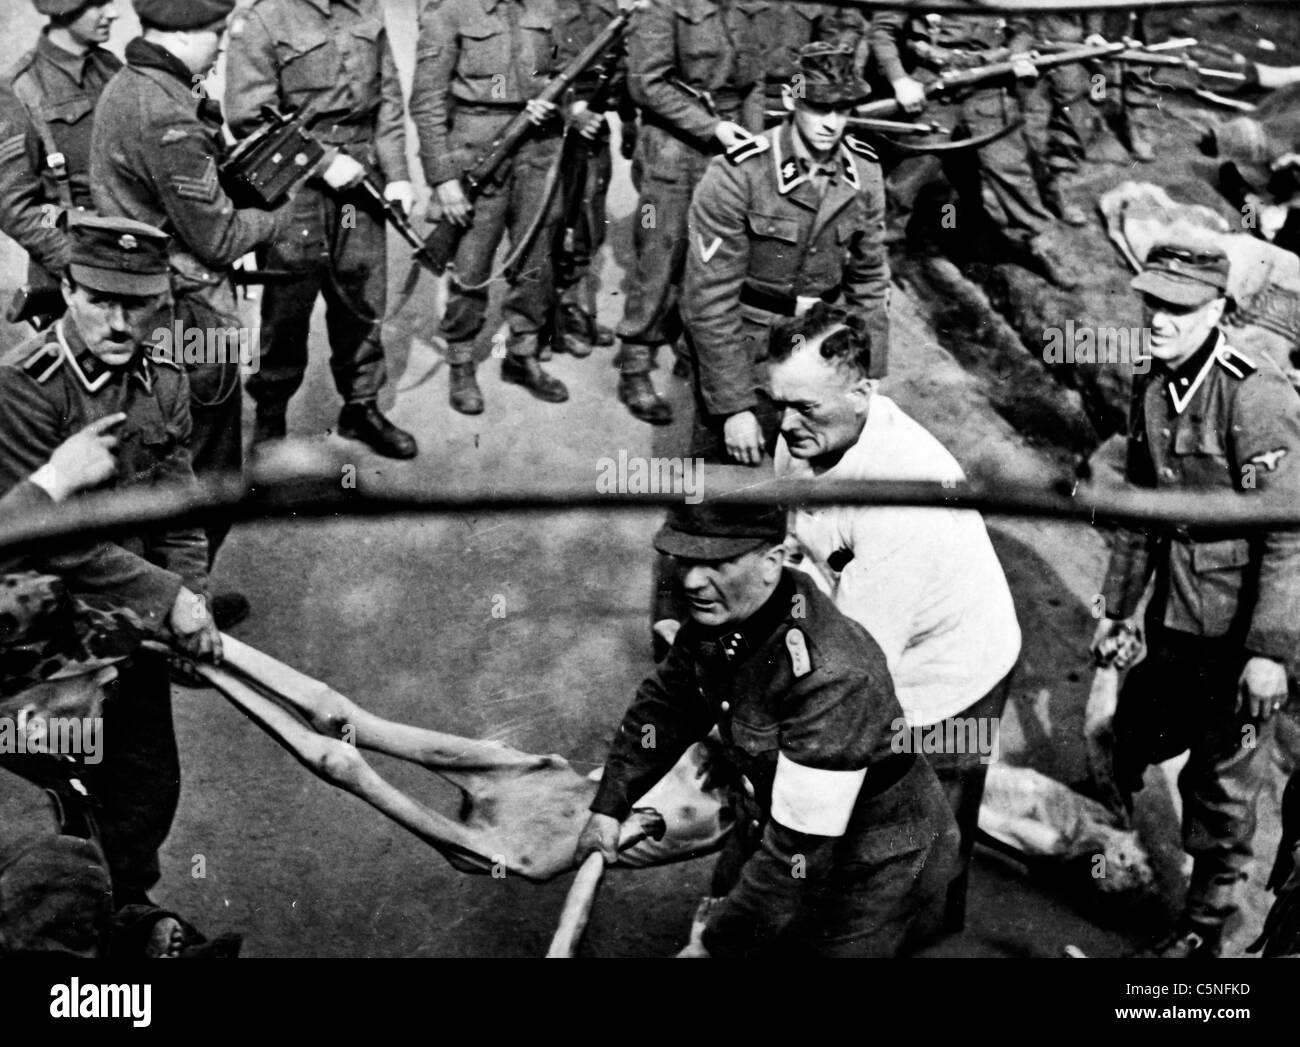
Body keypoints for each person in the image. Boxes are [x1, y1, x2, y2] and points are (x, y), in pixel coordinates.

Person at [576, 493, 961, 957]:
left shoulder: (831, 677)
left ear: (772, 561)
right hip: (773, 817)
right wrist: (610, 803)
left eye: (717, 562)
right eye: (683, 559)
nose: (693, 581)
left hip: (874, 861)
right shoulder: (729, 612)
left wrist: (711, 947)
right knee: (732, 908)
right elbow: (665, 706)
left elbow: (797, 854)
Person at [0, 215, 222, 936]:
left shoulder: (164, 379)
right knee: (58, 791)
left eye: (139, 302)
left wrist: (192, 594)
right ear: (65, 286)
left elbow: (182, 511)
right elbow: (55, 543)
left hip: (136, 631)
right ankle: (70, 924)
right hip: (45, 639)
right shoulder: (25, 388)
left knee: (148, 782)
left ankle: (129, 908)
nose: (120, 321)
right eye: (100, 299)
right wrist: (169, 599)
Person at [767, 304, 1021, 933]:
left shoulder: (903, 493)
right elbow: (794, 536)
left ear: (861, 392)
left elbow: (860, 671)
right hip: (863, 627)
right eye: (780, 403)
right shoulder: (805, 435)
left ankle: (911, 930)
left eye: (807, 408)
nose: (788, 424)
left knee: (913, 825)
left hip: (952, 672)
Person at [1093, 243, 1300, 958]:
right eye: (1152, 301)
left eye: (1179, 307)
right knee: (1132, 732)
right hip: (1177, 618)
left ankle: (1203, 927)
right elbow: (1143, 509)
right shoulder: (1151, 381)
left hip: (1242, 636)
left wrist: (1270, 653)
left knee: (1224, 786)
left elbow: (1288, 535)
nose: (1159, 318)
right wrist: (1118, 609)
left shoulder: (1256, 395)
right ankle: (1115, 840)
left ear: (1217, 310)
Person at [89, 0, 297, 626]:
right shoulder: (166, 116)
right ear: (179, 36)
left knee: (168, 465)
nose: (223, 46)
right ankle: (186, 616)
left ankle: (169, 605)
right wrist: (284, 209)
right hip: (190, 320)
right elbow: (219, 239)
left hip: (157, 303)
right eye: (215, 35)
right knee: (207, 470)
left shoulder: (136, 86)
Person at [682, 42, 890, 472]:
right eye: (818, 108)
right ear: (794, 100)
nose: (831, 124)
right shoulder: (738, 175)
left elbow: (869, 280)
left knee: (815, 482)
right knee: (724, 490)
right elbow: (708, 299)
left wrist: (870, 377)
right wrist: (732, 405)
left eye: (843, 109)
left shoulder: (865, 174)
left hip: (824, 347)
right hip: (748, 341)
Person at [224, 0, 418, 459]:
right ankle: (271, 416)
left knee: (363, 294)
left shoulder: (367, 8)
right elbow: (248, 115)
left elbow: (388, 100)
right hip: (294, 183)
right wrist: (323, 162)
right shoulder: (265, 18)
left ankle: (360, 407)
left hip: (363, 180)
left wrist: (399, 175)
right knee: (287, 304)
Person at [409, 0, 578, 416]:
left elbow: (564, 75)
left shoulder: (545, 9)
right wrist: (443, 178)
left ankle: (522, 353)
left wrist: (552, 102)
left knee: (536, 256)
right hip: (476, 148)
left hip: (538, 148)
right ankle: (461, 359)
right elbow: (427, 101)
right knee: (471, 263)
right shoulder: (449, 12)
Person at [612, 0, 765, 425]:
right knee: (660, 259)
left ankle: (692, 348)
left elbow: (754, 83)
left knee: (716, 255)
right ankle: (634, 365)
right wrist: (710, 127)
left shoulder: (741, 9)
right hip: (674, 150)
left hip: (730, 145)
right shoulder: (663, 9)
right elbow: (647, 85)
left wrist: (753, 144)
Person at [868, 10, 1076, 287]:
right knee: (911, 174)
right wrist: (900, 80)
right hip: (932, 84)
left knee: (1010, 170)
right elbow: (882, 30)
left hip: (988, 82)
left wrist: (1017, 53)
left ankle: (1038, 242)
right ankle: (877, 253)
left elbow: (1023, 22)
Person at [0, 1, 121, 328]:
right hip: (74, 281)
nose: (113, 13)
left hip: (129, 262)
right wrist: (77, 264)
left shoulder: (111, 68)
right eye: (98, 4)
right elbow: (14, 207)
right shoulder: (20, 88)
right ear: (63, 8)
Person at [548, 0, 622, 359]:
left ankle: (569, 306)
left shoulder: (607, 6)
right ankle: (542, 321)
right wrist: (571, 106)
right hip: (549, 129)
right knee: (549, 223)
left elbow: (619, 64)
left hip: (594, 124)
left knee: (589, 220)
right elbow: (527, 66)